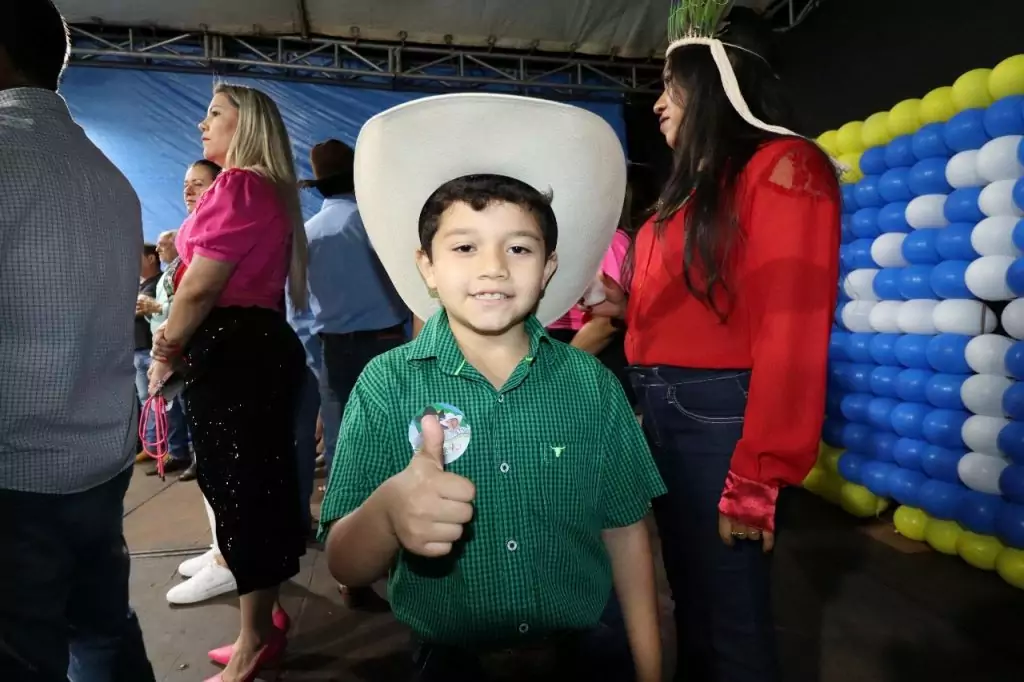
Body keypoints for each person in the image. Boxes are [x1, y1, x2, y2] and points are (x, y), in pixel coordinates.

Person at [319, 93, 666, 682]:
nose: (494, 268)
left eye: (520, 248)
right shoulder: (385, 385)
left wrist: (652, 666)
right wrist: (387, 512)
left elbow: (627, 530)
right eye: (464, 246)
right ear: (426, 266)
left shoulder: (592, 386)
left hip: (587, 654)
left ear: (549, 268)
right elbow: (345, 563)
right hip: (450, 664)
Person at [585, 5, 842, 681]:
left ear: (715, 82)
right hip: (660, 407)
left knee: (730, 616)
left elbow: (792, 327)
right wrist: (627, 305)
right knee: (690, 597)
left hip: (718, 418)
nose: (659, 103)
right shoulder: (690, 189)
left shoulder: (787, 165)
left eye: (673, 85)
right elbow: (713, 301)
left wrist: (760, 471)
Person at [0, 1, 155, 680]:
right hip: (100, 459)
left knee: (23, 652)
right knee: (100, 629)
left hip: (16, 472)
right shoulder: (110, 178)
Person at [148, 83, 307, 682]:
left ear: (248, 126)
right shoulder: (261, 189)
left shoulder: (241, 186)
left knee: (244, 493)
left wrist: (167, 347)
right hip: (247, 347)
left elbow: (200, 285)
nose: (201, 124)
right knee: (250, 487)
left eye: (215, 114)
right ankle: (261, 625)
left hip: (235, 350)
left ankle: (252, 647)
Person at [297, 138, 408, 609]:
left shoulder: (307, 233)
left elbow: (297, 307)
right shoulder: (376, 227)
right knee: (400, 448)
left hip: (331, 351)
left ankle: (352, 570)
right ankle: (402, 553)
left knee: (345, 455)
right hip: (384, 345)